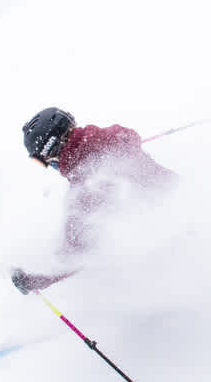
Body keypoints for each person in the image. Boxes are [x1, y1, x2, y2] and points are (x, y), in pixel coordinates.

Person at [11, 107, 175, 294]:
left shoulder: (85, 189)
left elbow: (74, 256)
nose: (51, 166)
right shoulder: (114, 140)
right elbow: (130, 138)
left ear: (55, 148)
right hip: (186, 210)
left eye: (46, 161)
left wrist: (34, 281)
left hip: (166, 258)